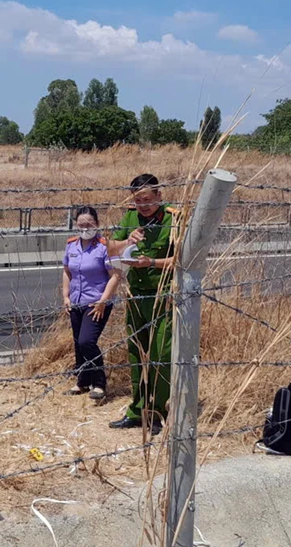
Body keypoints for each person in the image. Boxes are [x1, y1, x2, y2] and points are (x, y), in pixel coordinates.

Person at [106, 174, 177, 436]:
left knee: (160, 355)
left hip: (163, 296)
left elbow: (181, 260)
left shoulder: (173, 219)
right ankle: (137, 411)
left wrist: (152, 263)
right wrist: (128, 241)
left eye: (147, 200)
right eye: (138, 201)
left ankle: (158, 412)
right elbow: (110, 249)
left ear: (159, 196)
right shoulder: (129, 218)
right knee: (136, 353)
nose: (143, 206)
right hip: (136, 296)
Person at [61, 206, 121, 401]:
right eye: (81, 225)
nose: (85, 228)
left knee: (87, 341)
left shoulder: (104, 246)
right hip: (76, 302)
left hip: (96, 303)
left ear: (97, 224)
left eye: (89, 224)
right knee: (78, 343)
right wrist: (66, 296)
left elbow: (115, 276)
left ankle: (99, 383)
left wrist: (103, 301)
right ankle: (82, 381)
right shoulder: (71, 245)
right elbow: (67, 271)